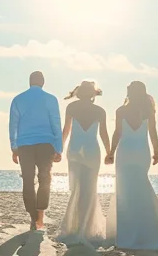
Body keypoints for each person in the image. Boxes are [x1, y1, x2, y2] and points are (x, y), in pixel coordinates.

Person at [106, 81, 158, 250]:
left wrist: (111, 152)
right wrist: (156, 152)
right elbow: (153, 132)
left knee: (125, 191)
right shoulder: (148, 111)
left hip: (125, 152)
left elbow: (117, 132)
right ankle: (146, 228)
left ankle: (127, 233)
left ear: (129, 93)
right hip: (141, 152)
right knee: (141, 187)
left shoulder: (121, 111)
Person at [56, 81, 114, 244]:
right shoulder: (99, 111)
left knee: (76, 189)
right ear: (93, 94)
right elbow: (103, 133)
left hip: (74, 150)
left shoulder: (71, 108)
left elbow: (66, 131)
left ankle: (75, 227)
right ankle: (84, 227)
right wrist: (109, 152)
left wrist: (58, 150)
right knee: (89, 190)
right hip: (91, 151)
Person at [9, 71, 62, 230]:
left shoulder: (18, 99)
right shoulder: (51, 99)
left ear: (29, 82)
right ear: (43, 82)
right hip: (46, 143)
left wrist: (14, 147)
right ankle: (40, 213)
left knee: (28, 179)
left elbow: (13, 125)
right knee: (45, 178)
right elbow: (56, 124)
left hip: (25, 144)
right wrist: (58, 148)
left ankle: (33, 216)